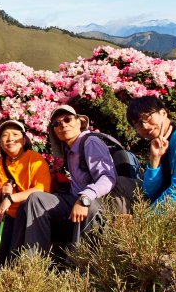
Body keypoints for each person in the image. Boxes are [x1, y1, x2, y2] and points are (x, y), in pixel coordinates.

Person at [12, 105, 117, 253]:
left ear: (79, 122)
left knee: (87, 207)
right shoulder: (69, 150)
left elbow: (107, 178)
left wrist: (84, 198)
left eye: (67, 119)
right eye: (57, 123)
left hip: (96, 200)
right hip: (73, 198)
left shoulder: (90, 142)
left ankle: (76, 261)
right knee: (36, 199)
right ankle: (32, 264)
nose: (63, 125)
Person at [0, 120, 52, 267]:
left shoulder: (35, 159)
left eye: (15, 134)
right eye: (5, 135)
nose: (10, 139)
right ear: (0, 142)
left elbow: (41, 190)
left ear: (23, 139)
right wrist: (2, 195)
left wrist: (10, 198)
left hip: (28, 216)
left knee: (14, 256)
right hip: (7, 217)